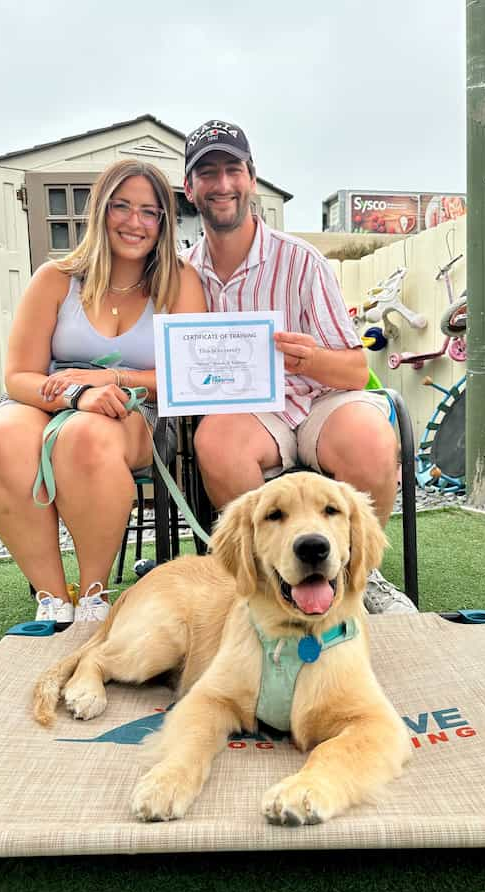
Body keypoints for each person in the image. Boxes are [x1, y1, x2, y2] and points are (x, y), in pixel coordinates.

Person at [182, 119, 416, 614]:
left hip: (320, 398)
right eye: (208, 174)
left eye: (232, 170)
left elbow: (355, 372)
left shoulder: (302, 261)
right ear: (190, 188)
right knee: (214, 442)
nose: (222, 184)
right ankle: (261, 582)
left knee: (371, 437)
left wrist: (309, 357)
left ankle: (360, 575)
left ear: (251, 177)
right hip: (250, 411)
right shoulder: (182, 270)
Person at [0, 159, 207, 626]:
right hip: (55, 396)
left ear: (163, 221)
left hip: (138, 411)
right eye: (122, 207)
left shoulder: (179, 282)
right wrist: (77, 394)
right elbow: (19, 375)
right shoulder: (55, 278)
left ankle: (94, 597)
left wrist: (112, 380)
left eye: (149, 211)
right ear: (99, 210)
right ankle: (55, 600)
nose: (134, 222)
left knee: (84, 437)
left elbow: (188, 374)